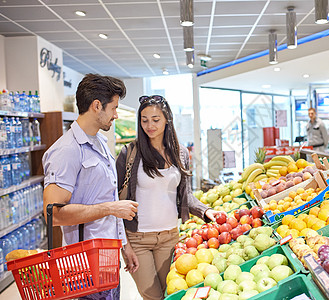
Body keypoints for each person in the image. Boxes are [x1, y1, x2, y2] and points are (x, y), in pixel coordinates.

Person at [42, 74, 139, 300]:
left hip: (108, 259)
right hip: (84, 266)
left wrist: (124, 247)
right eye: (113, 108)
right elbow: (52, 214)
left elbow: (108, 197)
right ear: (97, 106)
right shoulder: (66, 151)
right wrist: (110, 208)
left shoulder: (101, 143)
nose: (116, 114)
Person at [116, 95, 220, 300]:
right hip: (138, 239)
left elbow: (186, 196)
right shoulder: (130, 153)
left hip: (170, 237)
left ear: (167, 120)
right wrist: (124, 244)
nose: (149, 125)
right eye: (144, 120)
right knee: (151, 295)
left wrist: (206, 210)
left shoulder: (180, 153)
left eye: (155, 119)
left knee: (173, 293)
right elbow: (115, 201)